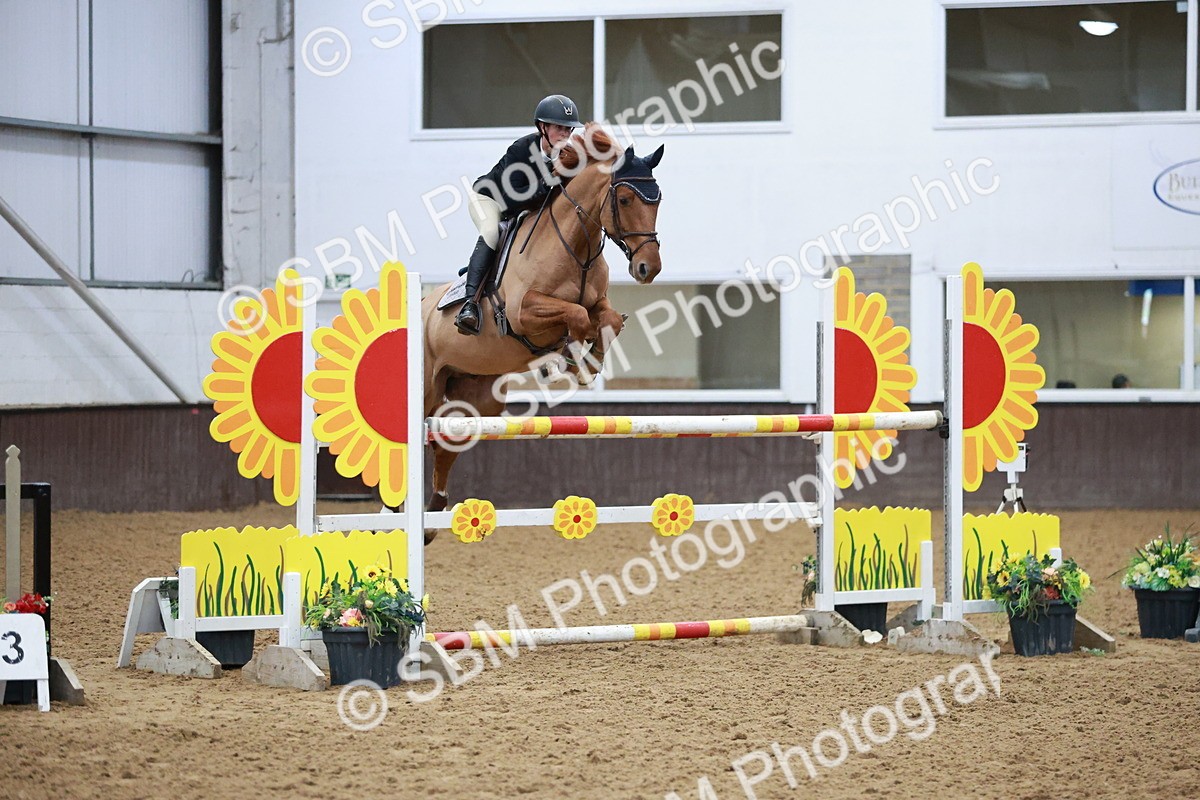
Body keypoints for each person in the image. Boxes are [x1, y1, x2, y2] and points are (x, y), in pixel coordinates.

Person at [455, 94, 583, 335]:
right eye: (559, 128)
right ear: (542, 127)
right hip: (490, 199)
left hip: (523, 210)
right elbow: (512, 197)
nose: (565, 134)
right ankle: (469, 305)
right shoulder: (521, 150)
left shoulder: (568, 157)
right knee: (492, 232)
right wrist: (547, 184)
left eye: (568, 129)